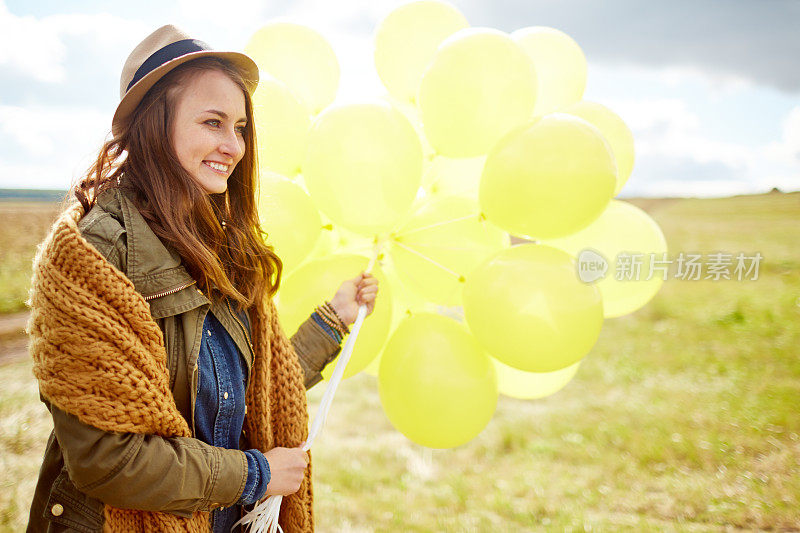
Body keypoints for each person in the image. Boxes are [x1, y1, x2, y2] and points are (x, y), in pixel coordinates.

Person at [26, 24, 378, 532]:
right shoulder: (94, 255)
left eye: (239, 127)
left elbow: (246, 398)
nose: (233, 146)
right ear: (153, 125)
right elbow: (108, 459)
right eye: (213, 122)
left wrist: (333, 320)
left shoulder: (219, 246)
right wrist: (257, 475)